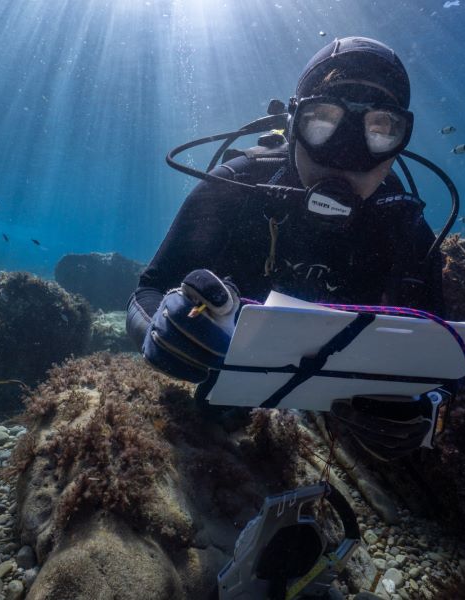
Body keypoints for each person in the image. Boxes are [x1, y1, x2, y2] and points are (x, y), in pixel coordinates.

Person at [127, 37, 448, 461]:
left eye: (378, 129)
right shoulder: (233, 188)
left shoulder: (402, 227)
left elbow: (441, 350)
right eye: (323, 121)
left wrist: (426, 410)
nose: (345, 153)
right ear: (295, 122)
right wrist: (164, 330)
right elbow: (149, 290)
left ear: (396, 146)